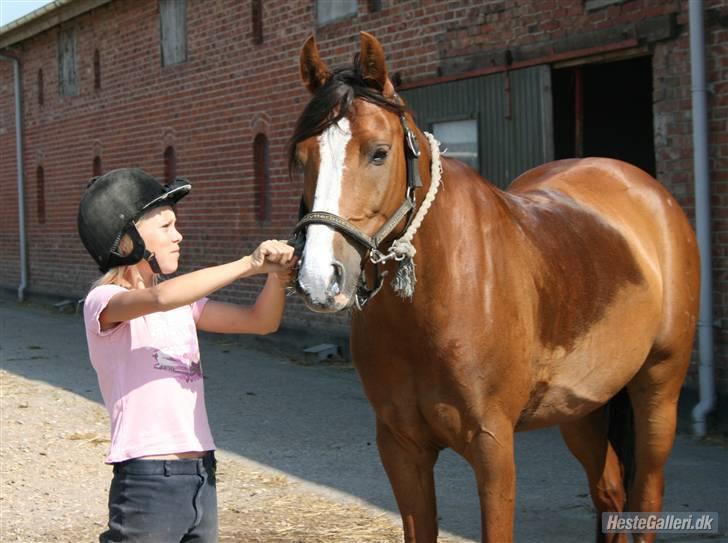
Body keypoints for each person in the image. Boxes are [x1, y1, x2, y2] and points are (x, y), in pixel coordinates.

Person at [77, 168, 296, 543]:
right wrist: (249, 264)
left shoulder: (186, 306)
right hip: (147, 478)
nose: (178, 235)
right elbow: (161, 298)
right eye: (165, 226)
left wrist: (276, 276)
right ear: (126, 239)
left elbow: (261, 322)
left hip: (201, 472)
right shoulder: (104, 302)